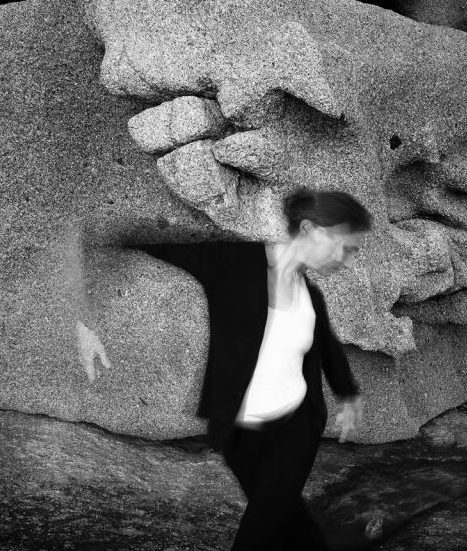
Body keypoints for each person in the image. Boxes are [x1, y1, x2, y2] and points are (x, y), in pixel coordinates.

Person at [78, 188, 378, 550]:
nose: (346, 261)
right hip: (239, 435)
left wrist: (348, 394)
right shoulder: (231, 262)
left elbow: (326, 347)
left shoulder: (310, 295)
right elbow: (133, 245)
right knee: (289, 522)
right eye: (344, 247)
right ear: (310, 229)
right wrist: (85, 319)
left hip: (297, 429)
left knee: (260, 529)